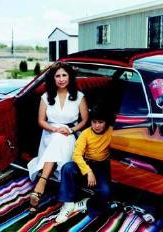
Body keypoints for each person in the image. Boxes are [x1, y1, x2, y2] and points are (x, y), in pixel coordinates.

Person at [27, 62, 88, 211]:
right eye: (58, 76)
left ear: (70, 77)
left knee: (61, 138)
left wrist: (71, 130)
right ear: (53, 79)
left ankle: (41, 184)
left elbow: (85, 120)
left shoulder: (79, 96)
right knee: (57, 138)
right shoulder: (46, 96)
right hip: (50, 134)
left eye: (64, 75)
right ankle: (44, 184)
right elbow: (41, 121)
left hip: (70, 134)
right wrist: (55, 129)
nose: (61, 79)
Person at [55, 107, 113, 223]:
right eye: (94, 122)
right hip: (87, 163)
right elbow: (76, 155)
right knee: (67, 167)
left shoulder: (111, 131)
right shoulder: (86, 134)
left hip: (102, 166)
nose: (97, 126)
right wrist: (88, 171)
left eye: (100, 122)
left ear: (106, 122)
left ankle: (85, 203)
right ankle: (68, 204)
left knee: (106, 192)